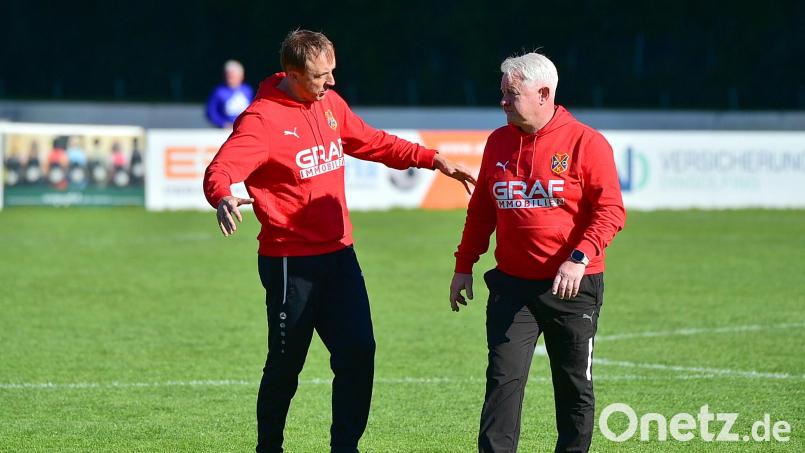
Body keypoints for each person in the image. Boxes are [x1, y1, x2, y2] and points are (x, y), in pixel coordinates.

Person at [202, 29, 476, 453]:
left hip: (340, 255)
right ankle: (268, 447)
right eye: (319, 76)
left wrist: (433, 159)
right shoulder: (261, 120)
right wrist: (221, 196)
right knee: (286, 366)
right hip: (292, 262)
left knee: (359, 353)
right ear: (292, 73)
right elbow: (220, 168)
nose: (330, 82)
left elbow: (371, 141)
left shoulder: (330, 104)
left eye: (332, 72)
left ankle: (345, 447)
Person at [448, 52, 626, 453]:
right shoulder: (498, 141)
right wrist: (464, 265)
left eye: (511, 94)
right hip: (512, 287)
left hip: (572, 287)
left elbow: (611, 210)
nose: (503, 102)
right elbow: (481, 211)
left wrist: (578, 258)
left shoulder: (586, 142)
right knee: (502, 382)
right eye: (502, 93)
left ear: (544, 93)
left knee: (573, 386)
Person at [206, 59, 254, 128]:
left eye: (233, 75)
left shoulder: (247, 90)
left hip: (244, 128)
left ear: (241, 76)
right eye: (228, 75)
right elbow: (211, 112)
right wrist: (223, 124)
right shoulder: (219, 91)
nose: (230, 77)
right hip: (224, 131)